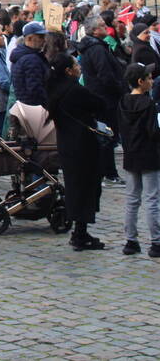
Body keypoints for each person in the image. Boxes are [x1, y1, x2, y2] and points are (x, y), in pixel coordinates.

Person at [47, 52, 108, 251]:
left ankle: (80, 231)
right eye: (76, 65)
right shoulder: (75, 90)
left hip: (67, 144)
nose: (79, 67)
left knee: (76, 188)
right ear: (68, 70)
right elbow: (100, 104)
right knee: (85, 188)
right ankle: (80, 233)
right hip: (83, 146)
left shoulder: (54, 89)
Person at [118, 63, 160, 257]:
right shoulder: (148, 104)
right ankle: (156, 242)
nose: (152, 81)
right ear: (140, 81)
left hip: (131, 154)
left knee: (132, 199)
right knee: (152, 199)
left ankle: (131, 240)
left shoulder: (123, 101)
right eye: (149, 78)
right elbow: (153, 132)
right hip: (149, 154)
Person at [78, 18, 127, 187]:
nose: (106, 27)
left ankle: (105, 171)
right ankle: (108, 173)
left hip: (101, 97)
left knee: (106, 136)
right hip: (104, 99)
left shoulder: (95, 46)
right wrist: (120, 89)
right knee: (107, 136)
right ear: (94, 30)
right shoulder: (96, 49)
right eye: (102, 26)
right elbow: (105, 75)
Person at [10, 22, 50, 107]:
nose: (44, 40)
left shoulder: (22, 55)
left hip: (24, 105)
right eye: (40, 37)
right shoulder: (31, 59)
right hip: (34, 107)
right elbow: (35, 89)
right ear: (29, 38)